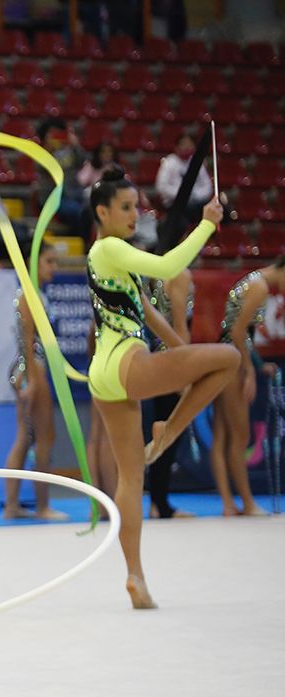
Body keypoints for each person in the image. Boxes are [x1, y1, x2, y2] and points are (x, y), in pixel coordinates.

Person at [84, 167, 238, 609]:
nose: (136, 215)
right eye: (126, 208)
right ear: (103, 212)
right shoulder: (110, 247)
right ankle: (168, 431)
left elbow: (151, 314)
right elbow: (170, 266)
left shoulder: (112, 260)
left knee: (132, 478)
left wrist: (182, 357)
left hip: (104, 372)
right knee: (230, 358)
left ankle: (135, 576)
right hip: (128, 361)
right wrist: (208, 222)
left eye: (137, 207)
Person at [210, 260, 285, 516]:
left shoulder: (255, 280)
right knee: (239, 436)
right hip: (232, 361)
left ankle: (229, 504)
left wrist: (258, 364)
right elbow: (238, 331)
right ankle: (247, 502)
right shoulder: (259, 286)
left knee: (222, 436)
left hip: (226, 356)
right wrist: (250, 370)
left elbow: (239, 332)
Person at [3, 245, 69, 521]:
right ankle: (42, 506)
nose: (54, 267)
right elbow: (29, 343)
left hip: (28, 368)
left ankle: (12, 506)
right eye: (49, 261)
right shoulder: (31, 297)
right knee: (43, 438)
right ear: (33, 262)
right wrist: (31, 380)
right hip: (32, 369)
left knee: (26, 437)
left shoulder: (34, 294)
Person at [142, 265, 197, 519]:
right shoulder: (179, 273)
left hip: (158, 358)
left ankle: (157, 502)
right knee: (169, 430)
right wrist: (185, 369)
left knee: (162, 429)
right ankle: (160, 504)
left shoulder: (157, 271)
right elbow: (179, 325)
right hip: (173, 360)